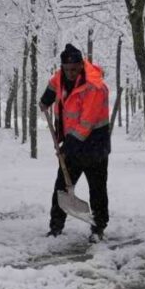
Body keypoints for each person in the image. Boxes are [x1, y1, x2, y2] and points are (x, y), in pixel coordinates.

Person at [40, 43, 111, 242]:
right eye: (67, 69)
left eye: (74, 69)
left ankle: (98, 227)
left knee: (97, 188)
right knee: (61, 187)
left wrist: (65, 148)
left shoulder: (94, 86)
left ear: (81, 65)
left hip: (95, 145)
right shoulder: (61, 77)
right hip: (72, 143)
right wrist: (46, 98)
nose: (70, 73)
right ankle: (55, 227)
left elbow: (85, 123)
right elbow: (54, 84)